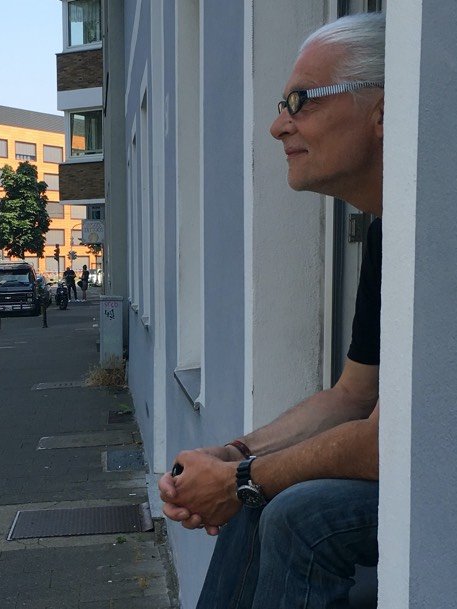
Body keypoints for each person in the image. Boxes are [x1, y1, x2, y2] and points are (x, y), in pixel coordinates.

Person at [158, 13, 385, 608]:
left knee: (294, 513)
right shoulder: (390, 231)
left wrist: (239, 482)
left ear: (382, 109)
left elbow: (388, 444)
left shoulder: (441, 230)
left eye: (300, 101)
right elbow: (352, 397)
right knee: (258, 492)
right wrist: (235, 454)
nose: (277, 125)